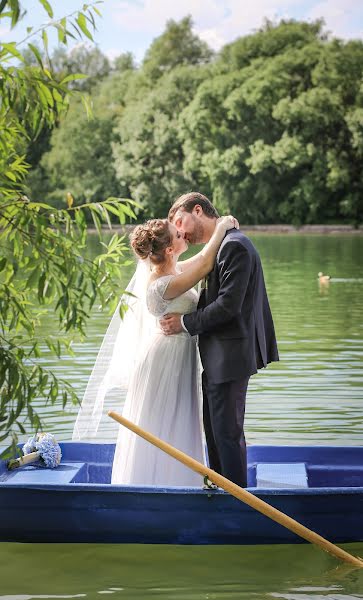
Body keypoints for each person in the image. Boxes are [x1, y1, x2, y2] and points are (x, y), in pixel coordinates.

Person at [73, 214, 238, 487]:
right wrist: (221, 226)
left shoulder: (173, 270)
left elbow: (200, 262)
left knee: (177, 419)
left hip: (177, 354)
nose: (183, 233)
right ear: (170, 249)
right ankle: (153, 484)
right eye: (177, 234)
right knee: (163, 419)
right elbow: (206, 263)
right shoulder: (162, 284)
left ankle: (178, 481)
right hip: (166, 359)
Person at [160, 192, 279, 488]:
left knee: (226, 435)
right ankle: (221, 491)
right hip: (218, 357)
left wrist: (184, 322)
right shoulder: (222, 246)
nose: (180, 232)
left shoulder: (235, 247)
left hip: (230, 356)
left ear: (197, 210)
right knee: (215, 433)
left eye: (180, 221)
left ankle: (237, 502)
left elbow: (228, 306)